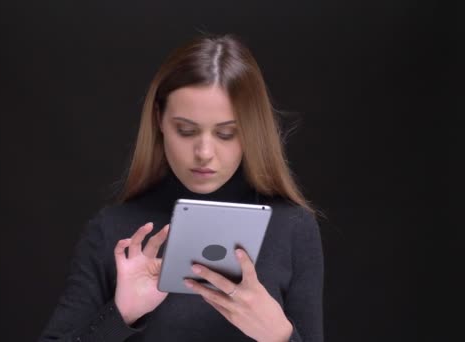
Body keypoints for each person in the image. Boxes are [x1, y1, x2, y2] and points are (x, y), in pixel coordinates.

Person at [38, 34, 324, 342]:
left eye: (226, 134)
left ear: (252, 131)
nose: (203, 152)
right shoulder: (111, 230)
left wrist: (280, 336)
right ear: (159, 120)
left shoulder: (293, 228)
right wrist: (121, 314)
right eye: (186, 130)